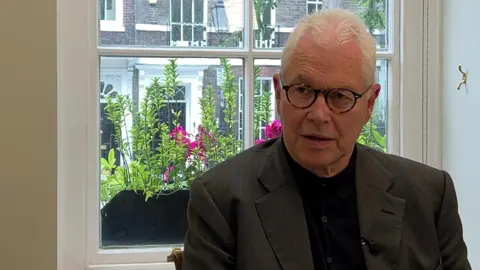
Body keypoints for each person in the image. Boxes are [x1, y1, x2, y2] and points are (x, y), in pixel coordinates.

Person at [183, 9, 471, 270]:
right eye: (303, 90)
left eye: (340, 97)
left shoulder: (430, 195)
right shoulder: (221, 200)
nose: (319, 115)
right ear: (279, 94)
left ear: (370, 104)